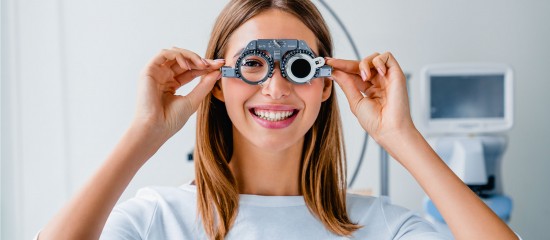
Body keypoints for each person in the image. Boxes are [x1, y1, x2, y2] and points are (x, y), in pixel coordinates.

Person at [37, 0, 520, 239]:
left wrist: (401, 137)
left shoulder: (378, 227)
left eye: (299, 67)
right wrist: (145, 133)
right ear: (217, 82)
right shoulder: (157, 221)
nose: (276, 87)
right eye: (251, 64)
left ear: (326, 83)